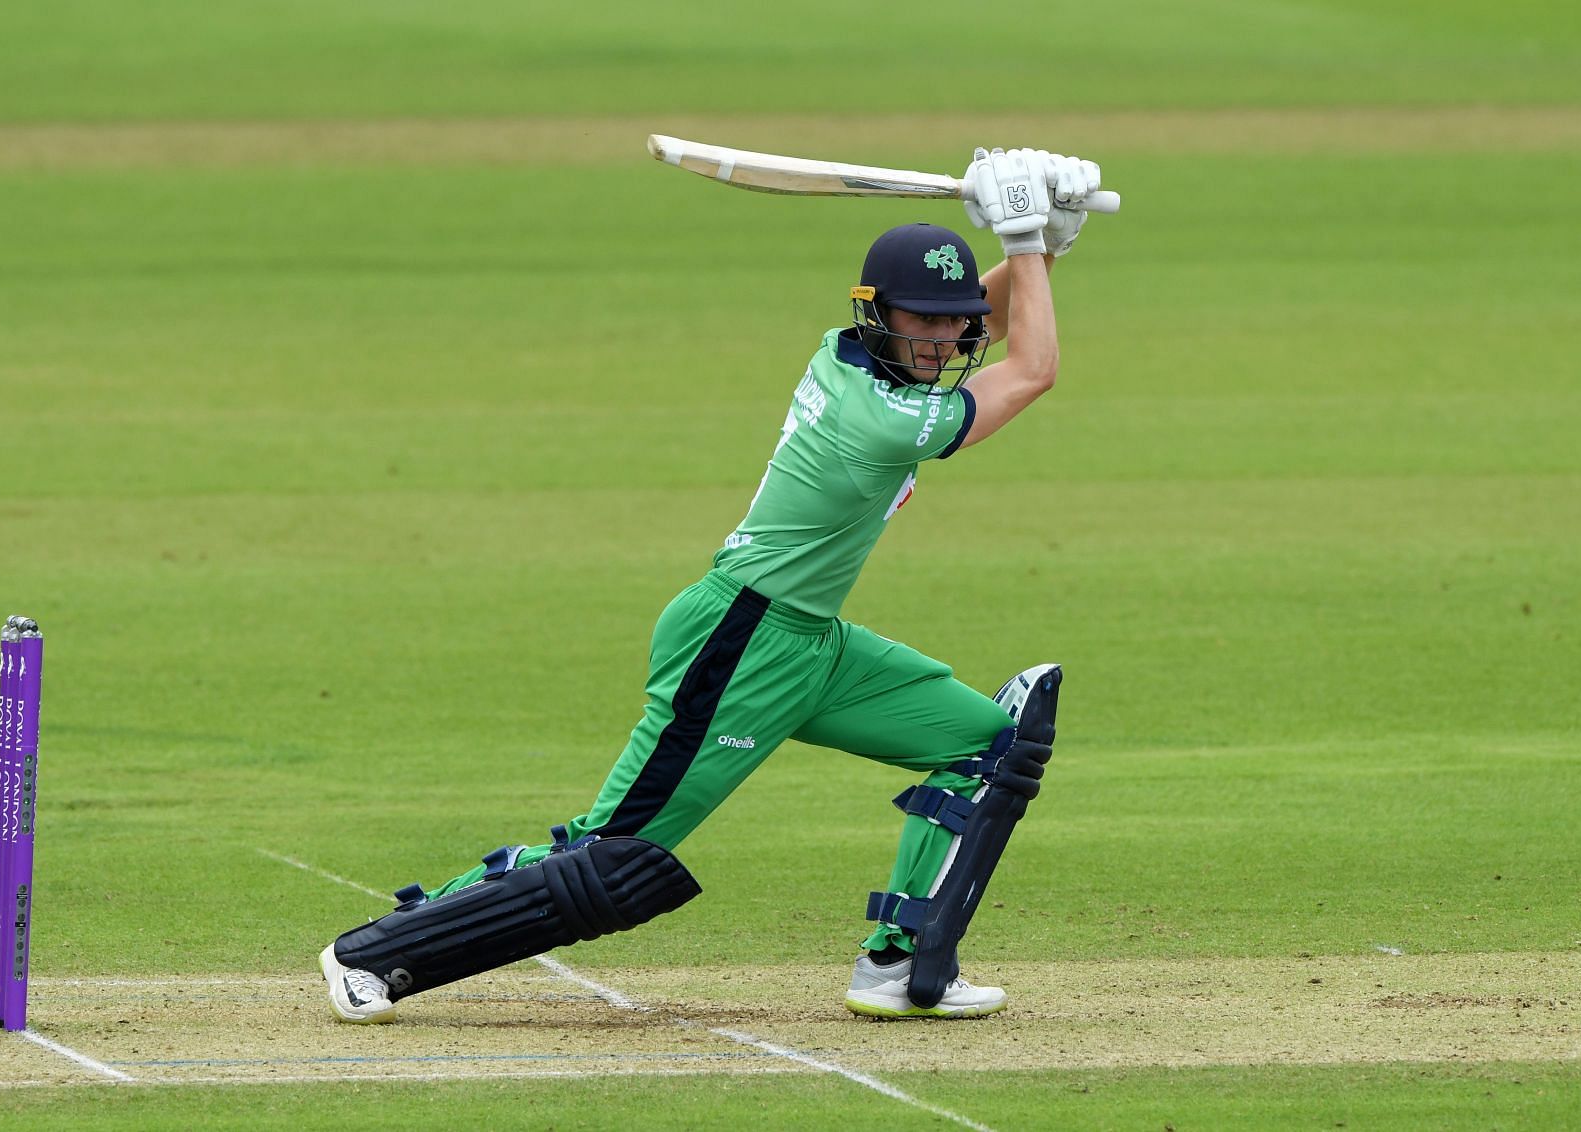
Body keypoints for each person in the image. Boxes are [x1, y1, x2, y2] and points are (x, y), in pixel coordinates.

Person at [320, 146, 1099, 1022]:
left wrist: (1047, 246)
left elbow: (984, 322)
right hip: (741, 642)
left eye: (952, 321)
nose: (943, 340)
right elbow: (1033, 368)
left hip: (810, 641)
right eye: (922, 320)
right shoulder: (876, 417)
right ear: (877, 315)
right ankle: (380, 953)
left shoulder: (854, 355)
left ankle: (900, 965)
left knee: (988, 749)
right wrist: (1026, 237)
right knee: (618, 856)